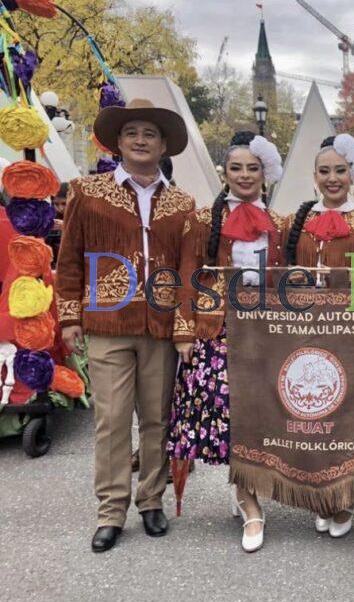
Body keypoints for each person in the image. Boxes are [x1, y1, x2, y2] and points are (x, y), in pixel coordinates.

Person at [56, 98, 195, 553]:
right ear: (118, 142)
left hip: (160, 326)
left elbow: (189, 270)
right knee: (111, 420)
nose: (140, 140)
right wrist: (69, 315)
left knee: (156, 419)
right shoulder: (87, 191)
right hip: (108, 323)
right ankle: (111, 511)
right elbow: (70, 258)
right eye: (132, 132)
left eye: (149, 134)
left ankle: (150, 500)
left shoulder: (181, 203)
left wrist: (185, 324)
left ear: (163, 146)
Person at [169, 131, 284, 553]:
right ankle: (249, 502)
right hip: (218, 327)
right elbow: (186, 277)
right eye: (236, 167)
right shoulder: (202, 221)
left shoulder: (281, 221)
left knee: (260, 415)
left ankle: (248, 485)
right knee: (231, 412)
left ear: (264, 172)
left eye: (252, 168)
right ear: (225, 172)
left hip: (268, 329)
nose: (244, 175)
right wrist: (185, 330)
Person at [282, 133, 354, 537]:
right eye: (324, 171)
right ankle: (317, 492)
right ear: (314, 175)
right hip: (305, 333)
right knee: (311, 415)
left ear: (353, 175)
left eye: (339, 171)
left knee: (348, 419)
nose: (332, 178)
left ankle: (343, 499)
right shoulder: (299, 222)